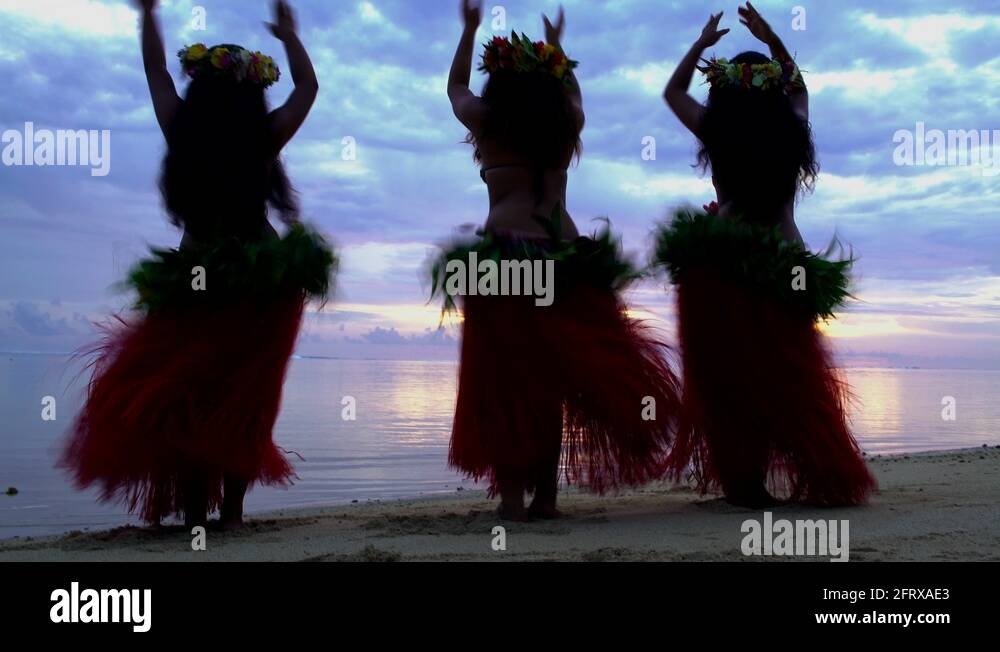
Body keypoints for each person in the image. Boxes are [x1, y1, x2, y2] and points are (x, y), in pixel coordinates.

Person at [60, 0, 336, 529]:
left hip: (196, 273)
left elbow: (155, 71)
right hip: (260, 278)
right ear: (253, 93)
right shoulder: (263, 138)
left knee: (190, 393)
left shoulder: (182, 130)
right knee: (242, 396)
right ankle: (231, 511)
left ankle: (191, 512)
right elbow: (307, 90)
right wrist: (290, 35)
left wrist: (148, 14)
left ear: (200, 91)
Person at [434, 1, 680, 520]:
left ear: (500, 85)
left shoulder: (489, 121)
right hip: (565, 264)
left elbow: (456, 89)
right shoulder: (565, 125)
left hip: (504, 262)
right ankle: (545, 499)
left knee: (506, 382)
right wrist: (560, 52)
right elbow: (572, 95)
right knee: (548, 385)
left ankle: (511, 500)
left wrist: (469, 28)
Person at [654, 3, 876, 507]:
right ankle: (818, 471)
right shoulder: (790, 127)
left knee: (730, 379)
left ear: (726, 89)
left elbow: (672, 93)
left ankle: (747, 483)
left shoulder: (717, 127)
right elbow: (799, 89)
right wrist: (773, 39)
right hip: (785, 262)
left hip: (724, 265)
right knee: (788, 376)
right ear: (773, 86)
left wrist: (700, 45)